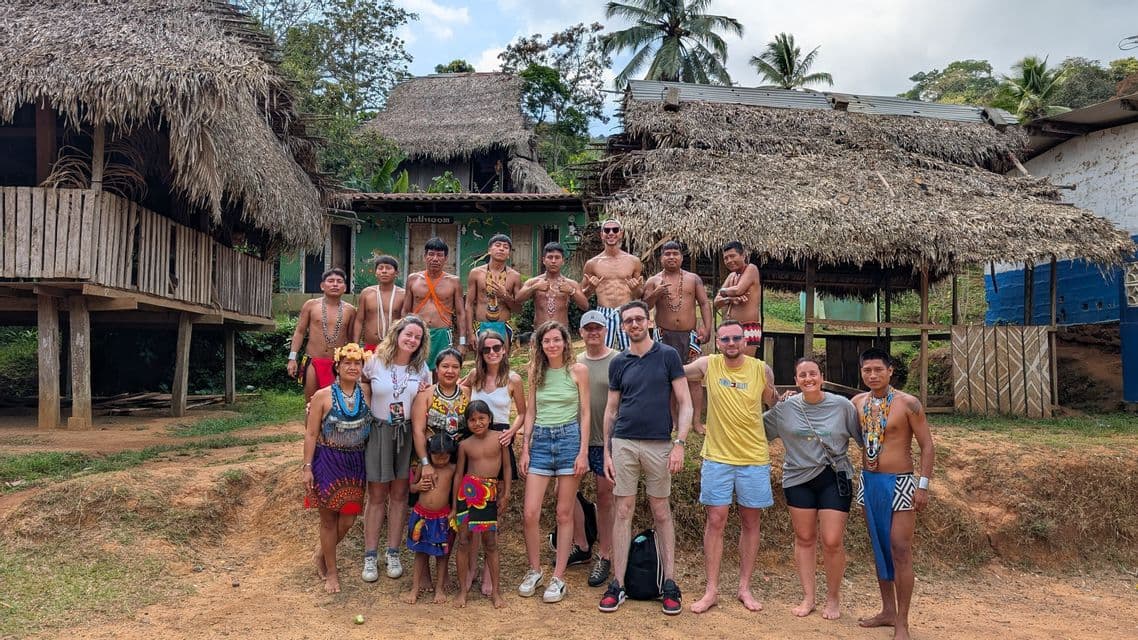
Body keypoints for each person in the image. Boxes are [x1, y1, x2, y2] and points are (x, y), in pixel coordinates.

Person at [599, 301, 691, 615]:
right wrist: (607, 452)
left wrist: (680, 442)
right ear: (623, 326)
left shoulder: (668, 356)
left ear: (648, 321)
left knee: (660, 510)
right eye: (629, 321)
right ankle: (618, 583)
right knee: (622, 509)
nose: (635, 324)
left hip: (659, 444)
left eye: (639, 319)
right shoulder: (619, 361)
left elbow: (685, 402)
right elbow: (611, 410)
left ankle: (669, 583)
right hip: (624, 442)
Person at [682, 320, 779, 614]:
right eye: (725, 339)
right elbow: (671, 371)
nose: (731, 343)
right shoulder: (707, 365)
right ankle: (711, 590)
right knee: (716, 520)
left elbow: (772, 403)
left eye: (736, 338)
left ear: (745, 340)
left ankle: (744, 588)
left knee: (751, 522)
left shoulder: (761, 369)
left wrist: (781, 397)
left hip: (753, 457)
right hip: (717, 457)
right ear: (718, 343)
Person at [763, 357, 861, 619]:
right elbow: (757, 430)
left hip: (834, 477)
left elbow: (864, 438)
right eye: (802, 375)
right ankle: (808, 597)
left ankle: (833, 598)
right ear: (795, 380)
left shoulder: (842, 406)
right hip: (797, 478)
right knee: (805, 539)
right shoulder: (785, 409)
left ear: (822, 376)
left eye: (813, 374)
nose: (808, 379)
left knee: (832, 541)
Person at [852, 348, 935, 640]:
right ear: (861, 373)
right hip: (869, 481)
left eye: (878, 369)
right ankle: (887, 611)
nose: (873, 375)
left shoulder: (908, 404)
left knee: (900, 548)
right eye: (867, 370)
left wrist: (922, 485)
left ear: (890, 371)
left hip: (900, 482)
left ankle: (902, 621)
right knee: (880, 546)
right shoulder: (857, 403)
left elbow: (927, 446)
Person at [518, 321, 590, 604]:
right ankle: (534, 570)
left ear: (565, 342)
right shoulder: (535, 371)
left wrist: (583, 451)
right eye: (546, 341)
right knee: (530, 512)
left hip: (569, 439)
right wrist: (525, 447)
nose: (552, 345)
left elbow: (585, 414)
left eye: (556, 340)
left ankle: (558, 576)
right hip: (541, 443)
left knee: (564, 512)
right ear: (540, 344)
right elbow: (531, 413)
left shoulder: (578, 371)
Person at [361, 315, 432, 583]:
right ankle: (370, 555)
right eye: (408, 334)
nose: (412, 340)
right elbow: (360, 383)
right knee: (377, 494)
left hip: (407, 433)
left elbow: (426, 397)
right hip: (379, 431)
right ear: (397, 333)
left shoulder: (421, 368)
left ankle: (393, 552)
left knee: (400, 494)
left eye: (417, 337)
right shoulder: (375, 361)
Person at [302, 343, 373, 594]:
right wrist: (307, 467)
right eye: (347, 363)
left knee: (349, 519)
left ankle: (323, 552)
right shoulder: (322, 396)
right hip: (328, 461)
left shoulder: (367, 392)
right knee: (329, 519)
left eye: (357, 364)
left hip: (355, 463)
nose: (353, 367)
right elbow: (311, 434)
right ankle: (332, 571)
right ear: (337, 367)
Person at [462, 330, 528, 595]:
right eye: (486, 349)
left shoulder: (512, 379)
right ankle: (471, 568)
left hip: (499, 440)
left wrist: (512, 431)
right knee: (474, 506)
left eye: (496, 348)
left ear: (504, 350)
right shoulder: (475, 377)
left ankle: (490, 569)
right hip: (476, 440)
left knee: (492, 509)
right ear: (480, 352)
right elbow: (457, 389)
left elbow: (523, 413)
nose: (492, 353)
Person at [642, 241, 713, 433]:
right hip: (663, 335)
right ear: (661, 258)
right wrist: (656, 294)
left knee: (695, 379)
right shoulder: (653, 281)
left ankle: (696, 422)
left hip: (689, 336)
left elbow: (704, 303)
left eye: (675, 253)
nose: (671, 257)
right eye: (667, 254)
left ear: (682, 257)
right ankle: (672, 420)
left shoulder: (693, 279)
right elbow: (644, 307)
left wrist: (707, 328)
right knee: (666, 378)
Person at [576, 310, 620, 587]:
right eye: (588, 328)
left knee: (606, 498)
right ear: (581, 332)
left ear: (605, 330)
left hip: (607, 440)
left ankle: (605, 554)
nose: (593, 332)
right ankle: (582, 545)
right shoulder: (575, 361)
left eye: (598, 328)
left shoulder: (617, 360)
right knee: (564, 493)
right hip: (580, 439)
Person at [453, 400, 511, 609]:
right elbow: (459, 474)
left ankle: (496, 591)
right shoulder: (465, 445)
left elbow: (506, 467)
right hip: (467, 492)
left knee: (491, 544)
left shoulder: (500, 439)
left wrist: (506, 494)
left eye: (481, 418)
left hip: (489, 493)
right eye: (472, 420)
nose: (477, 423)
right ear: (467, 422)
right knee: (463, 542)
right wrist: (453, 506)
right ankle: (462, 591)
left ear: (490, 419)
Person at [403, 432, 457, 605]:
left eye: (445, 457)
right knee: (420, 553)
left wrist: (455, 509)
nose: (441, 461)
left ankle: (439, 588)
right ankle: (415, 588)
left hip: (441, 517)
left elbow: (456, 492)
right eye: (437, 457)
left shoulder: (452, 469)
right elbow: (411, 488)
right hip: (421, 516)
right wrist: (418, 486)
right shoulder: (422, 467)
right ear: (429, 453)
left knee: (442, 555)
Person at [287, 268, 357, 401]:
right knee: (311, 403)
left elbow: (352, 340)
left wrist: (352, 363)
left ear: (345, 287)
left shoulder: (350, 310)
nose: (335, 284)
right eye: (330, 281)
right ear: (322, 286)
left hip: (337, 363)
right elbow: (299, 332)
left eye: (339, 281)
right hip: (312, 361)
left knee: (336, 404)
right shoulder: (311, 305)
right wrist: (292, 358)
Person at [402, 238, 468, 369]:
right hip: (417, 333)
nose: (435, 258)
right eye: (431, 254)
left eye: (439, 255)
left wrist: (462, 342)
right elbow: (405, 310)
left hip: (443, 333)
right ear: (425, 256)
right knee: (415, 371)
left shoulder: (454, 282)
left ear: (446, 258)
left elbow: (461, 314)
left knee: (442, 371)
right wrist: (403, 334)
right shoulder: (413, 279)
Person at [581, 220, 644, 350]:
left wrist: (635, 288)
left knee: (631, 353)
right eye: (607, 230)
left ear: (621, 234)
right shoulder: (592, 263)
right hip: (603, 313)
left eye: (615, 230)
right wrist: (591, 288)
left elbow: (639, 295)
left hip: (627, 311)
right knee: (602, 353)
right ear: (602, 235)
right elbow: (583, 297)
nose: (611, 233)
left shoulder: (633, 261)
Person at [517, 242, 588, 328]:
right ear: (543, 260)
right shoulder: (533, 282)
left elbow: (585, 306)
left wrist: (571, 291)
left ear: (563, 261)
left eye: (557, 258)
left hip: (561, 333)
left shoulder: (571, 284)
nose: (553, 261)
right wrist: (534, 288)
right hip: (540, 332)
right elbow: (518, 300)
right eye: (550, 257)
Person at [466, 234, 522, 344]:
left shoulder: (514, 276)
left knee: (503, 360)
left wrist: (505, 296)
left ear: (509, 254)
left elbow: (518, 309)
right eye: (497, 245)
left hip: (504, 325)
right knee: (481, 360)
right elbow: (469, 304)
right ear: (489, 250)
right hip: (481, 324)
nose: (501, 249)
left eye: (506, 247)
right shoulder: (476, 273)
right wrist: (470, 332)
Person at [412, 348, 471, 450]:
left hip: (463, 454)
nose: (450, 371)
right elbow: (418, 431)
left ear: (460, 369)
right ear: (437, 369)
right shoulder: (425, 395)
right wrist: (425, 462)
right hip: (434, 456)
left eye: (455, 367)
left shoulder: (467, 392)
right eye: (445, 366)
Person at [714, 242, 762, 358]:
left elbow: (738, 290)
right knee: (728, 369)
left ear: (743, 256)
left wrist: (723, 292)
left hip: (747, 328)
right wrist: (729, 299)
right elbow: (716, 302)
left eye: (732, 256)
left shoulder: (751, 269)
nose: (729, 260)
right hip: (728, 328)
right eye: (726, 258)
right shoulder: (731, 276)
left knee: (744, 368)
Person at [353, 255, 406, 351]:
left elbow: (406, 322)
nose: (384, 271)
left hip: (394, 348)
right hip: (370, 348)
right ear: (375, 272)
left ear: (396, 273)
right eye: (380, 268)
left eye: (388, 268)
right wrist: (355, 346)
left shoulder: (403, 295)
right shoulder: (366, 293)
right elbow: (359, 320)